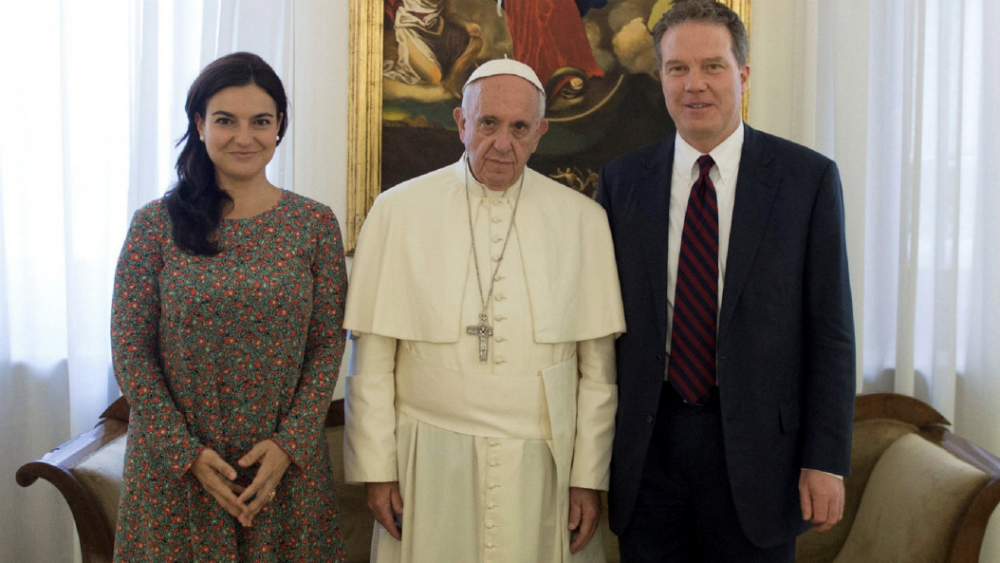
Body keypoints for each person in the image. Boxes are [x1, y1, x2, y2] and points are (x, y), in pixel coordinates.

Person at [597, 2, 856, 562]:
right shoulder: (622, 183)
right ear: (660, 77)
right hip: (648, 451)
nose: (694, 85)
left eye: (712, 66)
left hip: (763, 457)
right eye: (677, 68)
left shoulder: (806, 181)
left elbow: (831, 332)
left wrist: (826, 458)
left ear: (742, 76)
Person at [343, 58, 625, 563]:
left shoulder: (583, 220)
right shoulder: (397, 210)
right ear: (461, 123)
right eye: (488, 123)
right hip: (426, 460)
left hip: (543, 463)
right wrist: (378, 469)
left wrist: (588, 480)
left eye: (520, 128)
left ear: (540, 132)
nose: (503, 143)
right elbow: (374, 359)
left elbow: (599, 373)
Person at [110, 52, 348, 563]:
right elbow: (131, 353)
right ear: (199, 125)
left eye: (260, 121)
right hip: (177, 476)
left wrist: (290, 445)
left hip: (283, 474)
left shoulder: (315, 225)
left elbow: (328, 345)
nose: (245, 137)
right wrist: (187, 456)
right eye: (225, 120)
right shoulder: (154, 226)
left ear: (280, 126)